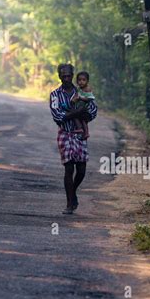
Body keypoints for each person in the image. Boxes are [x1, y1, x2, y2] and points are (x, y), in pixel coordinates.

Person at [49, 63, 97, 214]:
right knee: (69, 168)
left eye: (69, 75)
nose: (66, 78)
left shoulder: (82, 91)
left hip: (80, 134)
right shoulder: (55, 95)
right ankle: (70, 203)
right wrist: (79, 112)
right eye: (63, 76)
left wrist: (71, 112)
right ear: (59, 76)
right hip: (65, 133)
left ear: (73, 75)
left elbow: (93, 112)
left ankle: (73, 193)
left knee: (81, 170)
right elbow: (58, 117)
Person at [72, 71, 96, 140]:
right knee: (79, 118)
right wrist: (74, 99)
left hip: (85, 109)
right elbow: (76, 95)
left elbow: (90, 98)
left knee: (82, 119)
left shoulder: (87, 89)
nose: (81, 82)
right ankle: (84, 131)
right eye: (79, 80)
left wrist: (81, 98)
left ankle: (84, 131)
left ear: (87, 81)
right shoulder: (79, 89)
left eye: (83, 80)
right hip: (79, 107)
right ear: (77, 81)